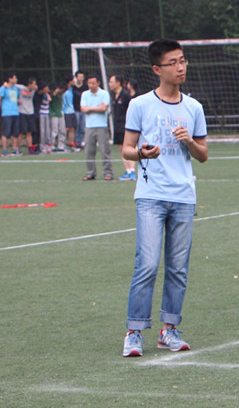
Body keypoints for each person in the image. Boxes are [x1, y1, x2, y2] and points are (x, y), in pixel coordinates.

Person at [121, 38, 208, 357]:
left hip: (184, 196)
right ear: (157, 69)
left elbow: (203, 155)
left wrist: (189, 143)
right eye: (173, 63)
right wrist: (143, 153)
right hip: (151, 196)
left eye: (183, 60)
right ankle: (134, 332)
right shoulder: (140, 104)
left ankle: (169, 329)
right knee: (146, 264)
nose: (181, 67)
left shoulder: (194, 107)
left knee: (177, 268)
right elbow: (127, 149)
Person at [80, 75, 114, 180]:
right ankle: (90, 173)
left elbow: (104, 108)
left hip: (102, 126)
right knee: (89, 151)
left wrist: (90, 109)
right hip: (89, 127)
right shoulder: (85, 94)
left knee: (105, 151)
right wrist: (97, 108)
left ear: (98, 83)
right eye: (89, 83)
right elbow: (83, 109)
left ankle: (108, 173)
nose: (91, 85)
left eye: (93, 83)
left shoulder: (104, 94)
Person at [109, 74, 134, 180]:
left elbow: (132, 109)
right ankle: (127, 171)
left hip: (125, 126)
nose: (110, 84)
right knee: (122, 149)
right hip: (117, 126)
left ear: (118, 83)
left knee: (128, 148)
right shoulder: (114, 95)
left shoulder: (125, 95)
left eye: (111, 82)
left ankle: (132, 171)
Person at [0, 74, 20, 156]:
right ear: (10, 79)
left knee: (15, 132)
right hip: (7, 113)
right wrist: (4, 107)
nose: (16, 79)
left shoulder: (16, 88)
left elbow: (16, 99)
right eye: (14, 78)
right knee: (5, 132)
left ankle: (14, 149)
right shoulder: (3, 88)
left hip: (15, 112)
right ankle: (5, 150)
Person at [16, 77, 38, 154]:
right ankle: (16, 149)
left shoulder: (33, 90)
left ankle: (30, 148)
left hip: (30, 112)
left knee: (29, 132)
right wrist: (17, 99)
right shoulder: (21, 88)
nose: (35, 86)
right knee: (21, 132)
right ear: (29, 84)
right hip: (22, 112)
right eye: (34, 84)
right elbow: (12, 86)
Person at [49, 82, 67, 152]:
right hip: (54, 114)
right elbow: (53, 95)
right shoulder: (53, 94)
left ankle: (61, 145)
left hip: (60, 113)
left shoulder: (62, 95)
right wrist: (56, 91)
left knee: (62, 130)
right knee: (54, 131)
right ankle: (52, 145)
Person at [71, 70, 86, 148]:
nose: (81, 78)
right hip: (75, 110)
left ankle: (80, 143)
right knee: (76, 127)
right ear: (76, 77)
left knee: (82, 128)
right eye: (79, 77)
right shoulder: (73, 87)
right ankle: (76, 143)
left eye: (82, 77)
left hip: (83, 110)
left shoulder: (85, 87)